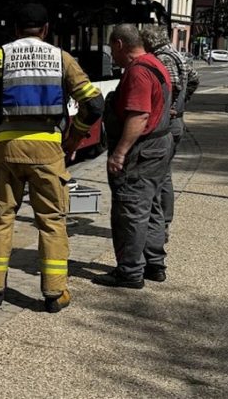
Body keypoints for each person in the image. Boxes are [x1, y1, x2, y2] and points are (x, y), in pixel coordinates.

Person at [0, 4, 103, 313]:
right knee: (51, 221)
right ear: (46, 29)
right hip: (49, 151)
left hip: (6, 149)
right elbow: (94, 103)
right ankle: (53, 294)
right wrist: (74, 137)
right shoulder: (62, 58)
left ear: (15, 29)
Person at [92, 24, 173, 289]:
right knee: (152, 208)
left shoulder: (137, 72)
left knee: (131, 211)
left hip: (142, 151)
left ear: (119, 44)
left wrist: (119, 153)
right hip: (159, 146)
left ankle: (129, 272)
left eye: (111, 49)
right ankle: (154, 265)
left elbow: (139, 115)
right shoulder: (156, 63)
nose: (111, 56)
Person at [141, 26, 199, 278]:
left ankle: (162, 223)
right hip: (177, 120)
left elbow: (171, 85)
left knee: (162, 176)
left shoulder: (163, 58)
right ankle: (162, 222)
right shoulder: (178, 54)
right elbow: (194, 78)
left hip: (170, 122)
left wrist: (172, 107)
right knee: (164, 174)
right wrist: (184, 103)